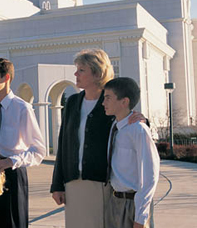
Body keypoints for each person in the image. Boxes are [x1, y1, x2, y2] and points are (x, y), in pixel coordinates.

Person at [50, 48, 146, 227]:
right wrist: (57, 185)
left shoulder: (111, 102)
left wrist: (143, 120)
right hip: (73, 184)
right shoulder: (72, 102)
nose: (75, 73)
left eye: (81, 70)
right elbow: (63, 144)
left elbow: (129, 125)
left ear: (97, 73)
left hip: (102, 183)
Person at [0, 58, 46, 228]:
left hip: (12, 175)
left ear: (6, 78)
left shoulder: (22, 108)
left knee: (12, 224)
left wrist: (10, 161)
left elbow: (38, 151)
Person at [102, 77, 159, 228]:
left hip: (133, 204)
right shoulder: (114, 127)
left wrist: (140, 218)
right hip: (115, 202)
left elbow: (150, 176)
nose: (103, 103)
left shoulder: (138, 130)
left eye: (108, 98)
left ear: (124, 102)